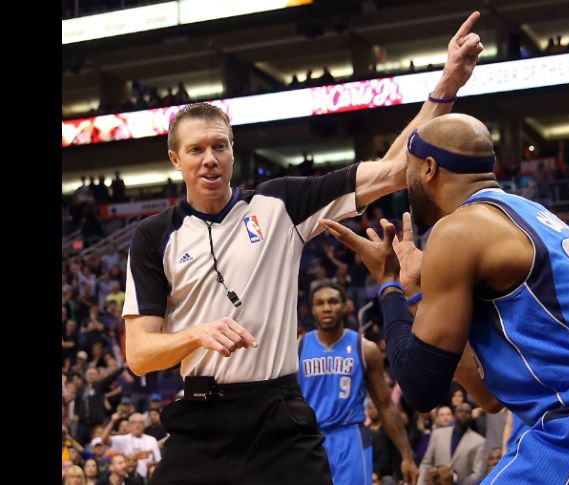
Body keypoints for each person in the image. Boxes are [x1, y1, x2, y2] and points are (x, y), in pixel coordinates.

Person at [122, 12, 484, 484]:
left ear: (234, 150)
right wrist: (196, 334)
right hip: (201, 420)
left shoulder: (280, 203)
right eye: (196, 150)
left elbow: (395, 169)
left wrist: (447, 83)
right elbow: (140, 354)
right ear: (176, 158)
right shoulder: (154, 236)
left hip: (278, 417)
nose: (210, 159)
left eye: (220, 146)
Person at [320, 113, 569, 484]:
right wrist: (415, 292)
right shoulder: (529, 213)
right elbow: (489, 397)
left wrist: (387, 285)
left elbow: (420, 388)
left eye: (408, 169)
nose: (404, 184)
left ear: (429, 169)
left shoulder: (458, 229)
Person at [298, 282, 418, 484]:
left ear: (345, 306)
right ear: (312, 309)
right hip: (310, 438)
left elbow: (385, 405)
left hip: (350, 436)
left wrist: (407, 455)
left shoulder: (365, 349)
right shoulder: (298, 347)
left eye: (333, 301)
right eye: (320, 303)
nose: (327, 307)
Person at [417, 402, 486, 485]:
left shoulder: (479, 441)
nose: (464, 414)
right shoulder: (437, 434)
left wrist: (455, 478)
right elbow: (426, 464)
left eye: (467, 412)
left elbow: (478, 473)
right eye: (460, 411)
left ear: (471, 416)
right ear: (454, 414)